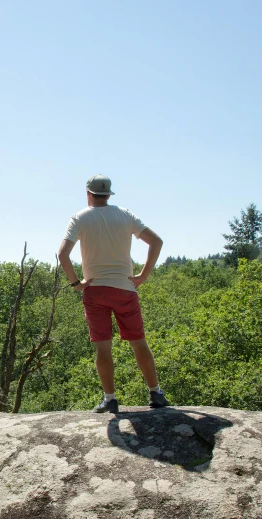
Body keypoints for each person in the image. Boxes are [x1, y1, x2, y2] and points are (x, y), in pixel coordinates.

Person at [58, 174, 170, 413]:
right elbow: (156, 241)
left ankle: (110, 400)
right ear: (109, 195)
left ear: (88, 193)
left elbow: (63, 255)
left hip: (95, 290)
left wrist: (76, 283)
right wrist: (143, 275)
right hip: (125, 288)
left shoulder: (79, 218)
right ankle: (155, 393)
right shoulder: (125, 215)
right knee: (139, 344)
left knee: (103, 348)